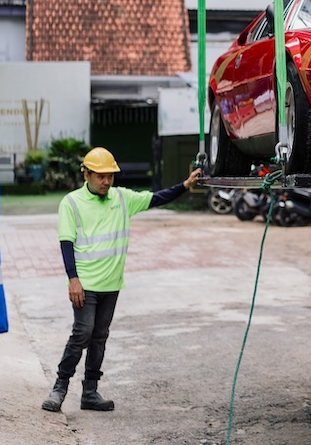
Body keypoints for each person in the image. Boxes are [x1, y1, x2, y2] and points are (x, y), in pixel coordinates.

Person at [41, 147, 202, 413]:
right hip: (85, 284)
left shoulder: (122, 198)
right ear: (87, 174)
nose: (106, 181)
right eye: (101, 176)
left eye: (110, 176)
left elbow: (157, 198)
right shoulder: (71, 203)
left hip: (111, 285)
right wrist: (73, 279)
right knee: (82, 333)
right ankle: (59, 387)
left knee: (100, 336)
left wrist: (185, 185)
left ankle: (90, 393)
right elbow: (66, 243)